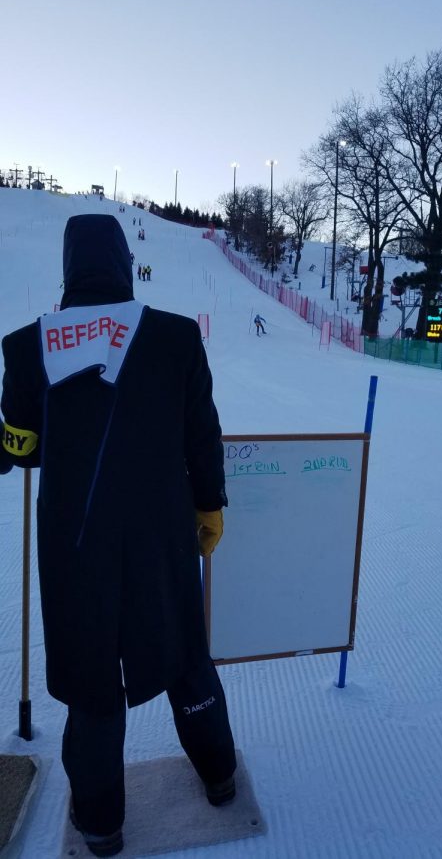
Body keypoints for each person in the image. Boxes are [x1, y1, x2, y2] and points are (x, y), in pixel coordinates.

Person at [0, 215, 236, 857]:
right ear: (127, 264)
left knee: (92, 679)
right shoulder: (176, 337)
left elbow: (18, 447)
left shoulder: (27, 347)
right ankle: (219, 774)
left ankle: (101, 822)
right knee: (184, 654)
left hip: (76, 542)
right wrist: (210, 505)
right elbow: (201, 434)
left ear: (69, 269)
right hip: (161, 533)